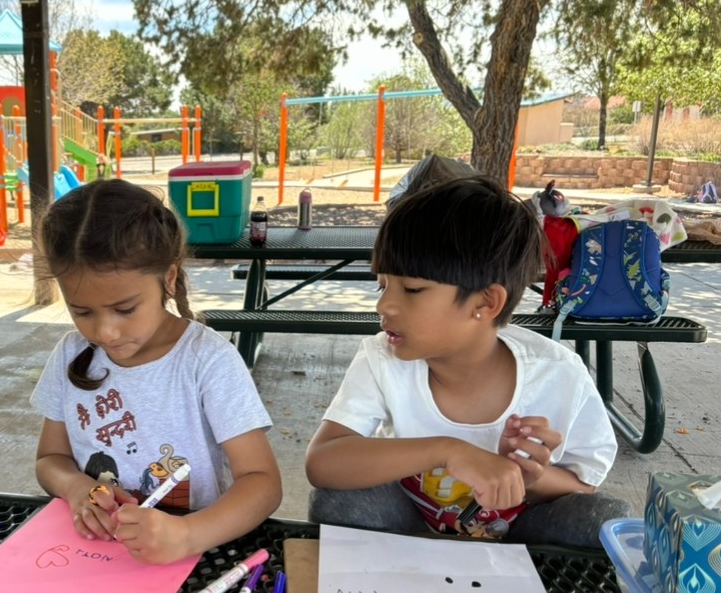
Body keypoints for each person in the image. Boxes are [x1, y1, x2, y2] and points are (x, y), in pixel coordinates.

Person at [305, 175, 630, 546]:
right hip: (411, 528)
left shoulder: (557, 375)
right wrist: (447, 450)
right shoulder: (383, 358)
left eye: (412, 289)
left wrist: (527, 475)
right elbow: (322, 462)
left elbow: (584, 489)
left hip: (518, 535)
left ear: (485, 303)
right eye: (383, 285)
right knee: (340, 501)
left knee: (602, 521)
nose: (384, 305)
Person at [31, 178, 282, 564]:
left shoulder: (207, 361)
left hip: (192, 556)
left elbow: (262, 484)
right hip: (95, 556)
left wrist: (187, 534)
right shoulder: (71, 354)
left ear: (168, 278)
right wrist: (77, 488)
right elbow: (50, 458)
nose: (105, 332)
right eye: (82, 311)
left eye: (125, 309)